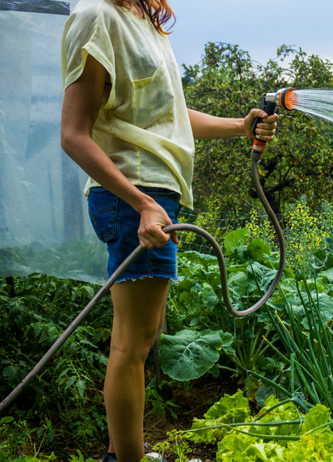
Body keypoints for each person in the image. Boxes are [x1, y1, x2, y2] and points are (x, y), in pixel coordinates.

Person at [59, 0, 278, 461]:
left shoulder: (144, 22)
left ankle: (124, 455)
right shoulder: (97, 16)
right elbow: (73, 133)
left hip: (155, 193)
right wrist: (141, 203)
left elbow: (171, 117)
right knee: (132, 342)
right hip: (133, 192)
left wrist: (240, 126)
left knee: (141, 335)